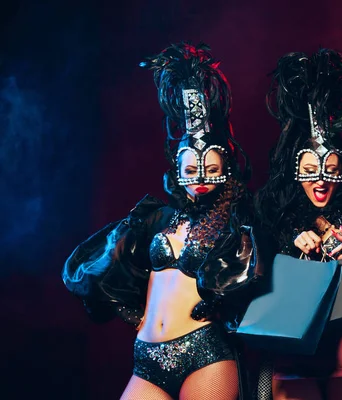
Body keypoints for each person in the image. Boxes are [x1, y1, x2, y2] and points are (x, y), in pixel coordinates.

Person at [62, 42, 268, 400]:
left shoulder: (235, 221)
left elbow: (254, 276)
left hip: (203, 352)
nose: (200, 177)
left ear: (226, 171)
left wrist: (219, 303)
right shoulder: (157, 218)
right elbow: (109, 261)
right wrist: (130, 311)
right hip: (147, 357)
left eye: (212, 169)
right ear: (178, 170)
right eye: (190, 169)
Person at [253, 49, 342, 400]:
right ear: (295, 172)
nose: (320, 181)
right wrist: (290, 241)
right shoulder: (272, 217)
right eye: (309, 171)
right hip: (293, 346)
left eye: (331, 171)